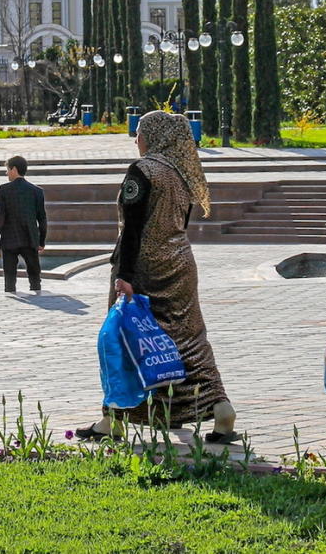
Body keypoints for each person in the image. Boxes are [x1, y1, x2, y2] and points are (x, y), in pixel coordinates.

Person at [75, 111, 237, 443]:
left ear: (155, 136)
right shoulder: (182, 173)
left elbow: (133, 229)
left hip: (144, 269)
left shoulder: (144, 170)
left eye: (140, 133)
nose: (137, 139)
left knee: (129, 339)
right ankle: (221, 411)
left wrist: (124, 275)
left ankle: (113, 420)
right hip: (179, 265)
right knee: (188, 341)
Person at [0, 155, 47, 295]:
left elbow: (0, 217)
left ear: (14, 169)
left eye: (7, 170)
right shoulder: (37, 191)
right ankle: (38, 296)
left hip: (9, 239)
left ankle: (10, 299)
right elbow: (42, 219)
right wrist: (41, 242)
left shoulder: (4, 189)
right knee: (35, 277)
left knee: (9, 278)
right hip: (30, 239)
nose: (6, 173)